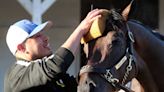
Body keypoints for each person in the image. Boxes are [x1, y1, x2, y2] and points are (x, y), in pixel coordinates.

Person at [4, 9, 102, 92]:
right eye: (38, 36)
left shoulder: (48, 71)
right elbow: (56, 65)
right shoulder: (16, 76)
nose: (46, 38)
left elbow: (82, 87)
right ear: (22, 48)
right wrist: (81, 29)